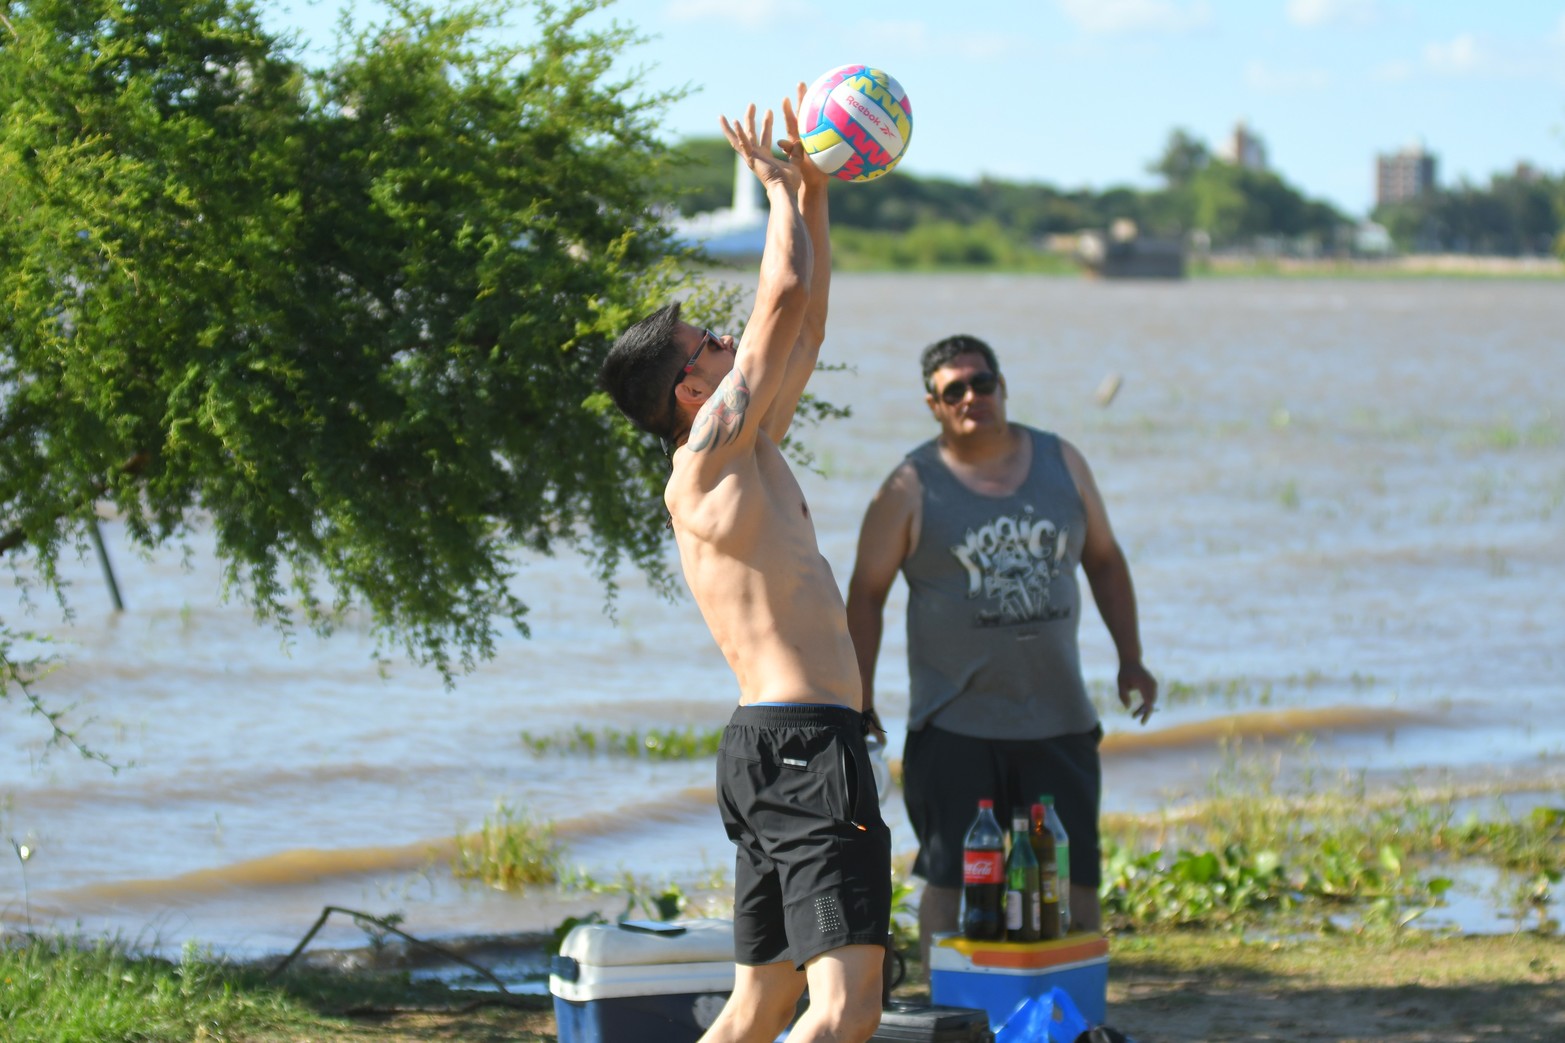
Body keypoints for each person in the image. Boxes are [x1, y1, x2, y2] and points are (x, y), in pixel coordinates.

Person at [599, 90, 890, 1043]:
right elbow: (780, 298)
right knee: (844, 1013)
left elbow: (804, 324)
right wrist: (775, 189)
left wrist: (816, 189)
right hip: (805, 746)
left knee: (759, 1004)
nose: (725, 339)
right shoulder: (710, 460)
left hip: (770, 747)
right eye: (706, 344)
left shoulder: (745, 448)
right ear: (691, 389)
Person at [845, 334, 1157, 970]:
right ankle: (948, 1017)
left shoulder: (1060, 460)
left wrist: (1131, 657)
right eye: (952, 390)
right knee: (952, 882)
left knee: (1072, 882)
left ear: (1002, 386)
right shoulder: (910, 485)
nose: (970, 398)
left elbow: (1104, 559)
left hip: (1058, 720)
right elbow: (865, 596)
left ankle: (1072, 1016)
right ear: (933, 405)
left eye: (980, 383)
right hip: (955, 725)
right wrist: (859, 703)